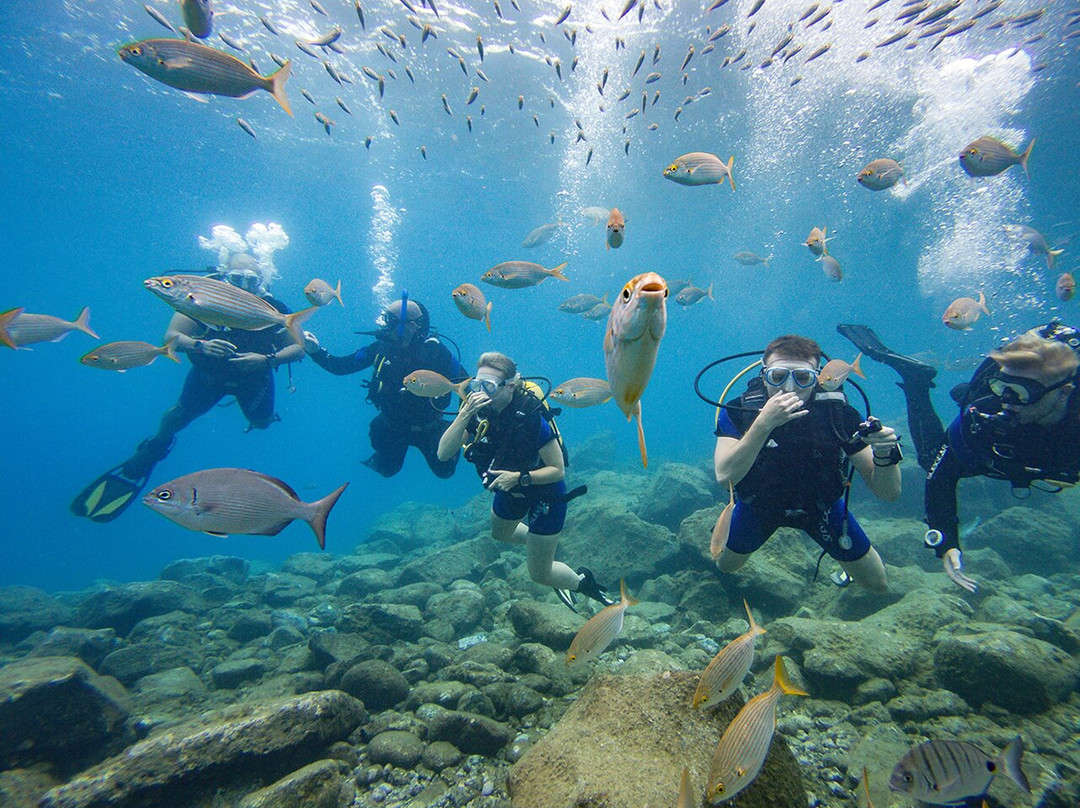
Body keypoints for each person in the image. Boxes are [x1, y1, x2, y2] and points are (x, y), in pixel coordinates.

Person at [839, 321, 1080, 592]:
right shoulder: (985, 411)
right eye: (1002, 387)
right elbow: (941, 475)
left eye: (1023, 393)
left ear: (1063, 392)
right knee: (932, 458)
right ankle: (915, 381)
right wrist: (946, 542)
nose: (1007, 402)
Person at [71, 258, 304, 522]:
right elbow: (171, 337)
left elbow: (298, 346)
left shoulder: (275, 310)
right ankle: (152, 450)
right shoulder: (202, 297)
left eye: (252, 280)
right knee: (177, 416)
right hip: (209, 375)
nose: (244, 285)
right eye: (238, 278)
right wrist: (200, 346)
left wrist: (266, 360)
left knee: (261, 422)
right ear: (226, 277)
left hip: (255, 378)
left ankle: (261, 418)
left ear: (262, 282)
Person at [712, 335, 903, 592]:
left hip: (821, 507)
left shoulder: (838, 414)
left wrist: (885, 454)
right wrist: (763, 424)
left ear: (817, 377)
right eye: (778, 377)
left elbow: (888, 493)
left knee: (877, 583)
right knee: (727, 566)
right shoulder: (740, 411)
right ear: (764, 373)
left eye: (802, 378)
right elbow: (725, 477)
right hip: (759, 504)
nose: (789, 388)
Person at [437, 351, 612, 610]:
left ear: (510, 386)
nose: (481, 392)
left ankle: (583, 582)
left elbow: (558, 470)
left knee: (539, 574)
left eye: (489, 386)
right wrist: (464, 414)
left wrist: (520, 478)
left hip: (545, 493)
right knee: (499, 534)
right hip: (508, 487)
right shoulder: (476, 412)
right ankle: (543, 548)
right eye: (477, 384)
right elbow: (443, 453)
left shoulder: (530, 417)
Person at [303, 296, 466, 478]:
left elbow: (464, 385)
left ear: (413, 326)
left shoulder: (438, 353)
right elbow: (341, 366)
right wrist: (315, 351)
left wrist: (464, 426)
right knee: (388, 470)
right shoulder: (380, 349)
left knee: (445, 471)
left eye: (390, 321)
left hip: (431, 426)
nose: (384, 326)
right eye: (386, 319)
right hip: (392, 425)